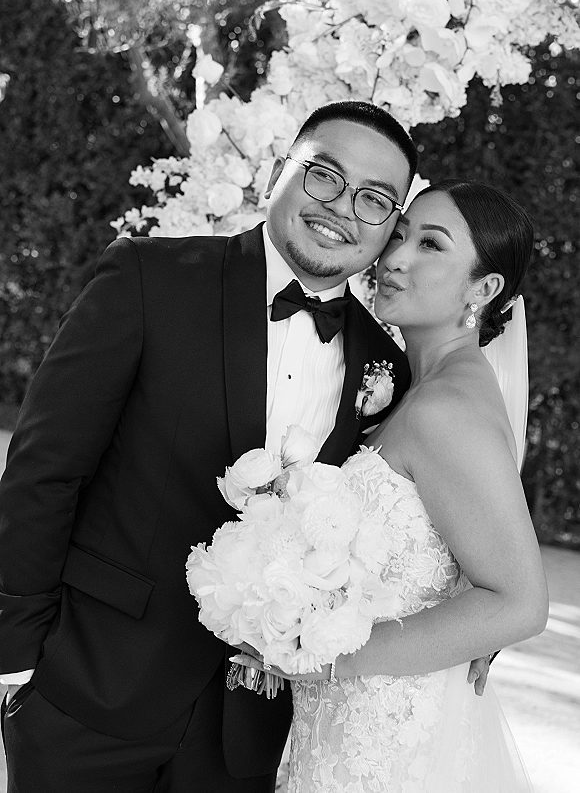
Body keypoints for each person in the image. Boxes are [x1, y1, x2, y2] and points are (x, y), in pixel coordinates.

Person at [0, 100, 438, 793]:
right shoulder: (148, 278)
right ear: (281, 171)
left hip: (248, 735)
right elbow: (44, 469)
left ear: (389, 227)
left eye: (375, 199)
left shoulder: (387, 365)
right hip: (88, 693)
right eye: (324, 176)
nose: (342, 208)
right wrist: (18, 657)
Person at [234, 179, 549, 792]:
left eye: (431, 245)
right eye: (399, 235)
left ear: (483, 290)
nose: (395, 257)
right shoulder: (418, 386)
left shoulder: (447, 408)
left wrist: (317, 656)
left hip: (390, 738)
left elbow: (520, 602)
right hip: (351, 720)